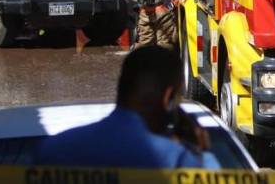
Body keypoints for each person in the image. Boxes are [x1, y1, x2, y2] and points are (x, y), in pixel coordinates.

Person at [35, 45, 216, 168]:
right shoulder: (176, 159)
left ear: (123, 87)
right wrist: (203, 153)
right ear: (168, 98)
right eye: (177, 98)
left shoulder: (55, 149)